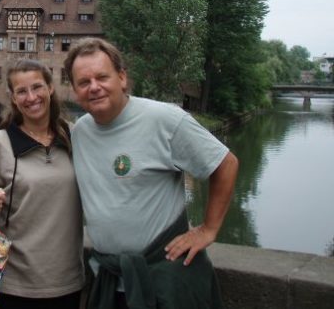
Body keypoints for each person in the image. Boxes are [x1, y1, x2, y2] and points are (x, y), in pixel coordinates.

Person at [63, 37, 239, 309]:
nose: (94, 87)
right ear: (74, 90)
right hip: (110, 279)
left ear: (122, 78)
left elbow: (225, 164)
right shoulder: (80, 132)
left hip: (165, 277)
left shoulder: (164, 119)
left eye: (102, 77)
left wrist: (209, 229)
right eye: (84, 82)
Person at [0, 59, 85, 309]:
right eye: (21, 91)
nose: (31, 97)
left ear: (50, 88)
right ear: (13, 99)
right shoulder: (0, 143)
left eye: (37, 87)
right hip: (15, 282)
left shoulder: (73, 136)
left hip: (67, 279)